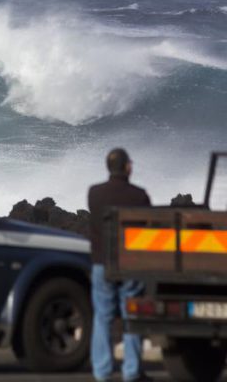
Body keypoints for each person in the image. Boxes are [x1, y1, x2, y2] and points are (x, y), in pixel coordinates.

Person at [88, 148, 151, 382]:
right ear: (127, 167)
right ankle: (131, 371)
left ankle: (102, 372)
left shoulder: (94, 194)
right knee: (131, 316)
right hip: (129, 265)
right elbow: (146, 228)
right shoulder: (139, 196)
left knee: (102, 316)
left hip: (101, 264)